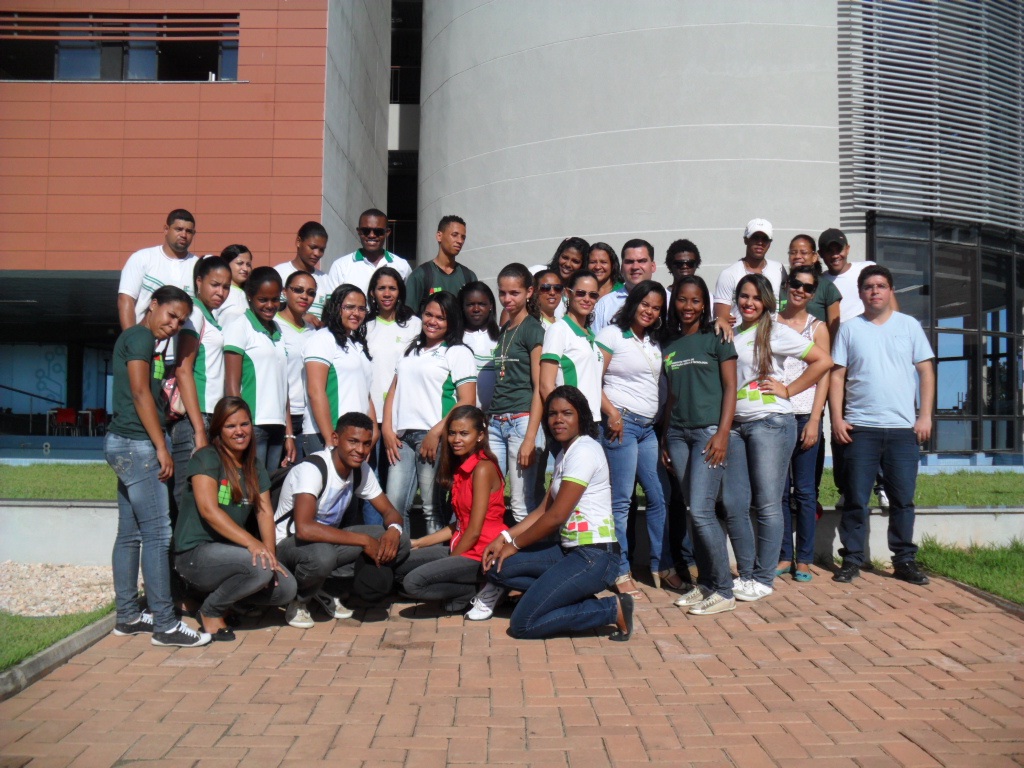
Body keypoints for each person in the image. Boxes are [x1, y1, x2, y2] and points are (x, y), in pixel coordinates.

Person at [471, 387, 633, 642]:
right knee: (497, 568)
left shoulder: (585, 451)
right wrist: (504, 537)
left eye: (567, 413)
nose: (558, 419)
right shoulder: (565, 453)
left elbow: (556, 516)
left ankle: (611, 609)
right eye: (552, 414)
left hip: (595, 557)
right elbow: (543, 510)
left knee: (523, 624)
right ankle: (562, 595)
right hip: (569, 552)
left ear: (581, 417)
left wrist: (514, 545)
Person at [105, 285, 210, 648]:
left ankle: (128, 617)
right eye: (171, 315)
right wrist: (161, 446)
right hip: (137, 444)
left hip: (124, 442)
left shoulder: (144, 341)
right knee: (157, 533)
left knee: (130, 533)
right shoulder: (140, 337)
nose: (174, 324)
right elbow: (139, 393)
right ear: (152, 305)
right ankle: (165, 624)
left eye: (181, 321)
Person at [725, 275, 832, 602]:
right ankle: (746, 574)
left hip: (770, 423)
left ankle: (763, 578)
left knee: (769, 503)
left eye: (756, 297)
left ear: (767, 302)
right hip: (737, 426)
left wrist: (788, 389)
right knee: (736, 503)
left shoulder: (774, 331)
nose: (749, 302)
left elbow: (823, 361)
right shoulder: (734, 332)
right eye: (744, 296)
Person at [829, 265, 934, 586]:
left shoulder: (909, 326)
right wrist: (836, 418)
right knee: (856, 499)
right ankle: (852, 560)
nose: (875, 291)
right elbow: (837, 376)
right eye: (869, 286)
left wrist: (925, 416)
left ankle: (904, 560)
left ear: (890, 291)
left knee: (902, 499)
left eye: (881, 286)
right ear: (861, 293)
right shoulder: (849, 329)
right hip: (860, 428)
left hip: (902, 430)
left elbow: (926, 372)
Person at [172, 397, 296, 641]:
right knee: (258, 569)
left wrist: (270, 554)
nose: (239, 431)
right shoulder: (206, 458)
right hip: (194, 553)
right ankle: (211, 612)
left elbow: (264, 512)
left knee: (286, 588)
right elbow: (209, 510)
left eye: (244, 424)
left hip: (230, 553)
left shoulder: (254, 465)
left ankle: (226, 602)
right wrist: (253, 544)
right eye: (231, 426)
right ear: (219, 429)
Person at [274, 412, 410, 628]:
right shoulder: (313, 469)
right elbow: (304, 529)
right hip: (289, 546)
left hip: (326, 542)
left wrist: (393, 529)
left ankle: (329, 588)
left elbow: (390, 512)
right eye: (353, 441)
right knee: (323, 555)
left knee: (400, 540)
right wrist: (364, 541)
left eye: (366, 444)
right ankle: (299, 599)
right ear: (335, 439)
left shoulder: (361, 470)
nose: (360, 450)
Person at [661, 276, 740, 615]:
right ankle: (706, 583)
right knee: (694, 510)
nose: (688, 306)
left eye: (695, 300)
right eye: (682, 299)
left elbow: (731, 387)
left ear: (704, 304)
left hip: (709, 433)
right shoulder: (669, 342)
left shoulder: (718, 337)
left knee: (703, 510)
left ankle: (724, 590)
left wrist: (723, 433)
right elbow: (671, 395)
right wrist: (665, 436)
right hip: (678, 435)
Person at [596, 281, 674, 598]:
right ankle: (619, 569)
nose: (649, 311)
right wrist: (611, 413)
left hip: (647, 429)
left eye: (656, 308)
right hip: (622, 425)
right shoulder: (612, 335)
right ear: (633, 303)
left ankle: (662, 565)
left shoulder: (654, 341)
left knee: (658, 495)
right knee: (622, 500)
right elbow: (592, 378)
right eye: (645, 304)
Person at [394, 405, 506, 611]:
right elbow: (459, 525)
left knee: (412, 583)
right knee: (398, 565)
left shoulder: (483, 468)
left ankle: (480, 589)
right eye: (452, 433)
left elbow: (474, 531)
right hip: (461, 545)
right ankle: (466, 591)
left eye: (464, 433)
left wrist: (446, 566)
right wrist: (419, 543)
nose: (456, 439)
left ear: (480, 436)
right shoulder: (462, 467)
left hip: (480, 553)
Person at [382, 292, 477, 533]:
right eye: (428, 314)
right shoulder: (411, 350)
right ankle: (399, 553)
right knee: (394, 505)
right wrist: (387, 429)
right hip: (401, 438)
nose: (432, 321)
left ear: (451, 321)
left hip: (434, 438)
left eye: (441, 318)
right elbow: (393, 390)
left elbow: (467, 400)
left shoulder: (457, 352)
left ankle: (436, 556)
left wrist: (436, 433)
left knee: (431, 506)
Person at [818, 227, 898, 509]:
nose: (835, 254)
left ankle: (883, 486)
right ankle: (847, 487)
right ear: (821, 254)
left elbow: (893, 312)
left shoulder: (867, 270)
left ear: (847, 249)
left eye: (838, 248)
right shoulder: (819, 282)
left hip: (870, 361)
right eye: (829, 250)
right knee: (841, 424)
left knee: (877, 421)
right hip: (838, 362)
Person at [775, 266, 831, 583]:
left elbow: (823, 376)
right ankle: (785, 556)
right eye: (796, 284)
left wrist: (815, 419)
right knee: (780, 492)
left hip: (805, 417)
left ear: (813, 293)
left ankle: (805, 559)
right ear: (787, 285)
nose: (800, 290)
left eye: (808, 287)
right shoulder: (770, 323)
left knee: (806, 492)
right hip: (776, 417)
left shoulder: (817, 328)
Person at [171, 256, 231, 506]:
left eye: (226, 287)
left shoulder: (210, 317)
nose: (221, 292)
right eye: (215, 285)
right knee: (187, 493)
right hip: (195, 418)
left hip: (210, 417)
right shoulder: (195, 314)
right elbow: (183, 370)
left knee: (206, 491)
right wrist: (198, 428)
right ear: (199, 282)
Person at [488, 264, 547, 522]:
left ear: (529, 292)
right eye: (502, 292)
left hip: (522, 421)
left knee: (521, 503)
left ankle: (528, 548)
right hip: (495, 422)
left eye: (514, 293)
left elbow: (540, 386)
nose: (507, 299)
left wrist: (530, 438)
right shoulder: (505, 330)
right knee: (491, 497)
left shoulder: (533, 329)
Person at [223, 267, 295, 472]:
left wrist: (289, 433)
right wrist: (240, 425)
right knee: (251, 484)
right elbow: (232, 384)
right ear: (249, 296)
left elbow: (283, 385)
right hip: (253, 424)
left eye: (275, 299)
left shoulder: (278, 329)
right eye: (263, 300)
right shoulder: (239, 326)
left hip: (278, 426)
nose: (270, 305)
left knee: (268, 484)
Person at [364, 267, 422, 521]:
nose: (387, 293)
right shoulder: (364, 326)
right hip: (370, 414)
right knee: (371, 482)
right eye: (381, 288)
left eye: (392, 288)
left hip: (401, 417)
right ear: (372, 293)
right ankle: (374, 535)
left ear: (400, 292)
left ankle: (394, 533)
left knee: (395, 486)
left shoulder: (415, 325)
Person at [302, 285, 375, 457]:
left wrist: (373, 432)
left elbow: (365, 392)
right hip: (326, 435)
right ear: (336, 308)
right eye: (349, 307)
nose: (356, 313)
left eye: (361, 308)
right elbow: (315, 391)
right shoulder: (322, 340)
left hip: (356, 438)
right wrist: (330, 438)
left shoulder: (356, 344)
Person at [117, 209, 198, 364]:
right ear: (166, 229)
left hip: (182, 359)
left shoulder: (197, 266)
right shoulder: (142, 258)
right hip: (143, 352)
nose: (184, 235)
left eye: (189, 231)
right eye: (179, 229)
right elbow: (125, 300)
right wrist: (132, 342)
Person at [540, 270, 604, 420]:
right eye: (581, 293)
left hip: (592, 421)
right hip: (572, 422)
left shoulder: (590, 334)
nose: (587, 299)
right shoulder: (559, 330)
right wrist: (561, 417)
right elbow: (545, 385)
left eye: (593, 295)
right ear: (568, 293)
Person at [713, 218, 787, 331]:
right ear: (746, 240)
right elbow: (721, 320)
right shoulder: (728, 274)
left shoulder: (779, 269)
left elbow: (785, 306)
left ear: (770, 243)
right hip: (740, 337)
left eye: (765, 239)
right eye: (755, 237)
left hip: (773, 335)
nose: (760, 242)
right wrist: (723, 319)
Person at [277, 271, 317, 459]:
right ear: (285, 292)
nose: (304, 296)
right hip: (282, 415)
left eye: (310, 293)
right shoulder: (274, 325)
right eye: (298, 290)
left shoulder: (313, 331)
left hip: (308, 415)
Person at [326, 208, 411, 295]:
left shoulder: (402, 266)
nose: (372, 235)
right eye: (366, 231)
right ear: (359, 232)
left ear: (387, 232)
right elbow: (332, 302)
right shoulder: (341, 266)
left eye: (378, 231)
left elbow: (408, 299)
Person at [405, 215, 476, 314]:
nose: (460, 241)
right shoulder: (420, 276)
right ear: (439, 236)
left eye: (463, 237)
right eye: (454, 235)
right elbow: (409, 316)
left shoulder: (469, 277)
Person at [592, 239, 658, 334]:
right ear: (622, 267)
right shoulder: (605, 305)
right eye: (629, 262)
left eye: (641, 261)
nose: (635, 267)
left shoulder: (666, 301)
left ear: (653, 266)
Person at [785, 235, 841, 342]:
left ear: (814, 257)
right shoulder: (783, 284)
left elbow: (834, 332)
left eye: (804, 252)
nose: (797, 256)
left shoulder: (827, 288)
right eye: (793, 252)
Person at [273, 222, 329, 327]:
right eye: (313, 247)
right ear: (298, 242)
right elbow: (267, 308)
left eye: (321, 249)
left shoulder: (326, 280)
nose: (317, 253)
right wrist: (301, 316)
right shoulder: (278, 273)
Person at [459, 281, 500, 413]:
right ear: (462, 307)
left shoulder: (503, 336)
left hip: (497, 418)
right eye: (470, 304)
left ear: (491, 306)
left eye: (482, 304)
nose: (476, 309)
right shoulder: (454, 340)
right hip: (463, 416)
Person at [217, 244, 253, 325]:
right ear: (226, 264)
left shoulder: (250, 294)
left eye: (248, 264)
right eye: (240, 263)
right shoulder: (219, 293)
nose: (245, 269)